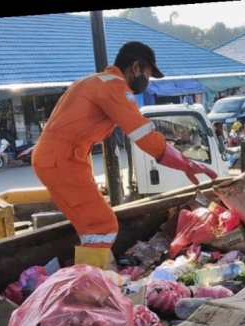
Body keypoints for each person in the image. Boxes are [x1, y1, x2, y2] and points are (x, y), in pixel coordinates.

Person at [30, 41, 217, 271]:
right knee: (101, 226)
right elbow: (143, 135)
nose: (147, 82)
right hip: (63, 160)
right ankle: (88, 284)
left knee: (91, 227)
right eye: (147, 74)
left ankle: (89, 274)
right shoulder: (115, 86)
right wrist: (186, 164)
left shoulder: (95, 81)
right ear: (136, 67)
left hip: (58, 158)